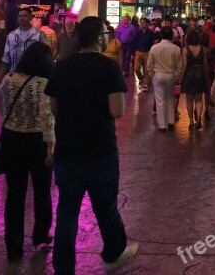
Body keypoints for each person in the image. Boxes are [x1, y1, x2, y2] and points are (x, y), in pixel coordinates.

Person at [44, 17, 138, 273]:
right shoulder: (108, 67)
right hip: (100, 150)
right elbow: (117, 110)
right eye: (107, 32)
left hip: (68, 152)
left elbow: (53, 108)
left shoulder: (62, 66)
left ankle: (63, 267)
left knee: (67, 213)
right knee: (106, 206)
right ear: (99, 37)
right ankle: (114, 251)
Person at [0, 42, 55, 261]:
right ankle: (40, 234)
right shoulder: (43, 83)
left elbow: (0, 106)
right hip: (36, 141)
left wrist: (10, 124)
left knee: (14, 194)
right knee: (41, 191)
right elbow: (46, 117)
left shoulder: (8, 79)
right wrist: (51, 146)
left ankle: (13, 246)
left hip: (12, 141)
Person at [147, 26, 182, 132]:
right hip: (171, 74)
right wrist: (178, 76)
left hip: (158, 74)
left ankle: (162, 125)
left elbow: (149, 64)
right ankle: (171, 121)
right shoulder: (176, 48)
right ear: (171, 35)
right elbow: (179, 66)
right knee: (171, 98)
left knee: (159, 100)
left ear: (161, 35)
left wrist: (152, 75)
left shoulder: (154, 48)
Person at [1, 8, 48, 75]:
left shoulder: (39, 35)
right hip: (14, 75)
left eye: (24, 16)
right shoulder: (11, 35)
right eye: (19, 16)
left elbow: (45, 56)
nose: (21, 18)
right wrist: (0, 75)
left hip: (33, 76)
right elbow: (6, 58)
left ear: (31, 18)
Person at [180, 29, 209, 130]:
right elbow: (205, 64)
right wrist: (207, 76)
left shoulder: (185, 49)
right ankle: (199, 119)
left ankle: (191, 121)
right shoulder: (203, 49)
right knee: (199, 99)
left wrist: (180, 78)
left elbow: (184, 65)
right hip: (200, 72)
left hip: (189, 73)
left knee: (189, 100)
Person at [133, 18, 154, 91]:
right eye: (141, 22)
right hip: (138, 52)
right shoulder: (137, 33)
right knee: (136, 68)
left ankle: (146, 84)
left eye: (143, 22)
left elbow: (152, 44)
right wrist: (133, 53)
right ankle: (141, 78)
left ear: (148, 24)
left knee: (147, 69)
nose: (142, 24)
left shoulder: (151, 33)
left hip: (147, 52)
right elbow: (134, 43)